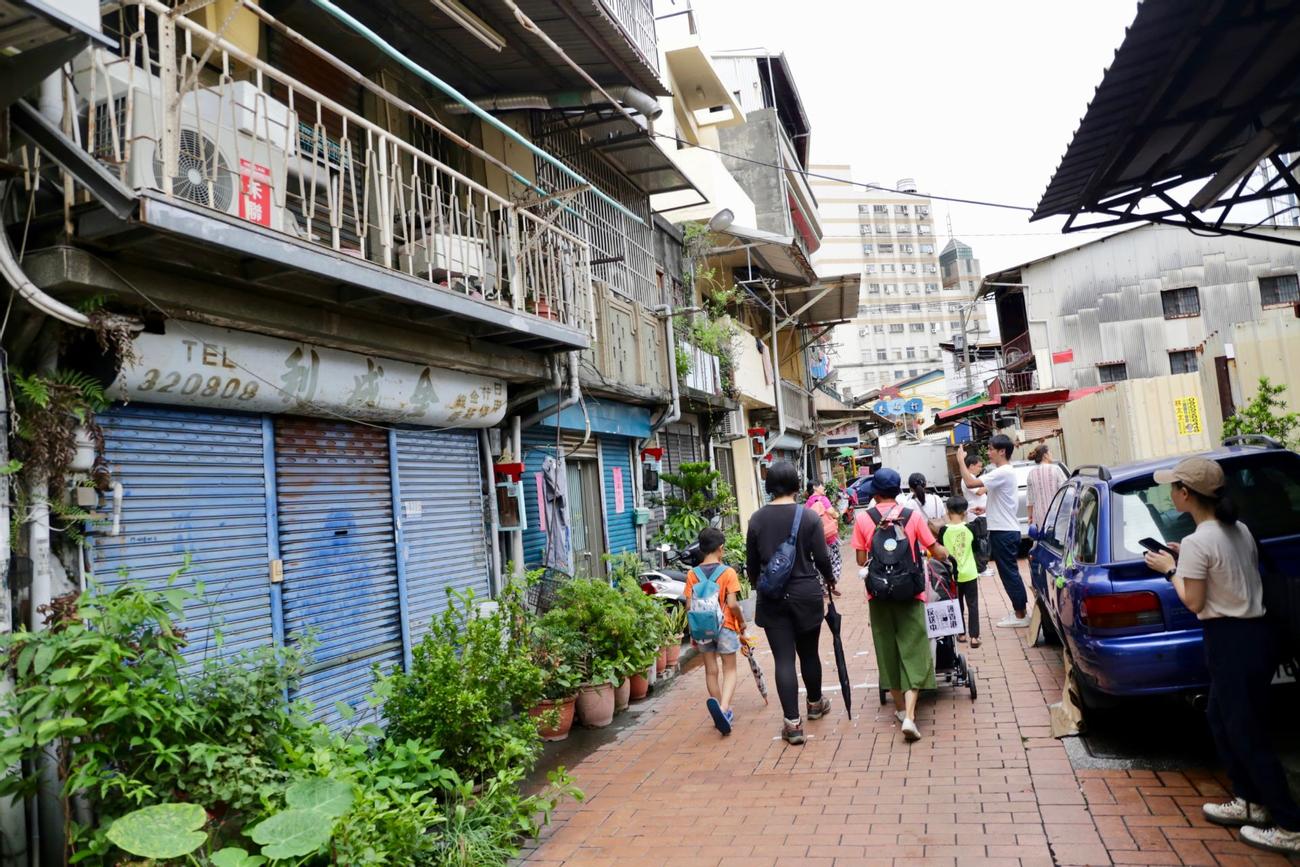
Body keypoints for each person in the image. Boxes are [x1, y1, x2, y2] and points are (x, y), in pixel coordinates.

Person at [1143, 457, 1300, 855]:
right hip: (1255, 637)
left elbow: (1193, 601)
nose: (1170, 492)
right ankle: (1249, 799)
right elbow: (1228, 573)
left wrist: (1168, 569)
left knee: (1247, 733)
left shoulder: (1199, 541)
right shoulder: (1237, 529)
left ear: (1186, 494)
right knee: (1221, 717)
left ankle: (1288, 824)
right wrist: (1185, 559)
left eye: (1173, 486)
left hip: (1231, 640)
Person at [851, 468, 949, 742]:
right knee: (914, 647)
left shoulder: (864, 519)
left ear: (875, 493)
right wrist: (945, 552)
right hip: (910, 593)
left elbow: (861, 560)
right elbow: (933, 549)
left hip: (878, 595)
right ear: (898, 491)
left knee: (887, 649)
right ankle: (909, 715)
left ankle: (898, 708)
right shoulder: (913, 516)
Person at [746, 461, 837, 746]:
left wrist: (757, 585)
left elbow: (751, 565)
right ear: (798, 485)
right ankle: (814, 704)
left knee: (783, 659)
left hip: (773, 597)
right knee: (809, 653)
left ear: (769, 486)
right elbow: (822, 558)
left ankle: (793, 724)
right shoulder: (809, 517)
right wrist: (830, 581)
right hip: (806, 593)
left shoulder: (757, 519)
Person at [957, 436, 1029, 627]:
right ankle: (1019, 611)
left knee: (1009, 573)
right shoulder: (1003, 472)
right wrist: (986, 509)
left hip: (1004, 531)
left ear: (1002, 451)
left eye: (990, 449)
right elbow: (1003, 500)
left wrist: (960, 461)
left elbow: (972, 484)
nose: (988, 453)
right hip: (1004, 528)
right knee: (1009, 572)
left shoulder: (1003, 471)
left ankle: (1021, 615)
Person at [685, 527, 746, 735]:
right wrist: (742, 622)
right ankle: (724, 708)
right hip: (726, 626)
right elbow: (733, 603)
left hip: (702, 629)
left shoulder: (692, 574)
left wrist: (694, 631)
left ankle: (720, 708)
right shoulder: (728, 573)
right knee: (730, 669)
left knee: (711, 670)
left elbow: (688, 605)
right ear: (720, 549)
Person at [941, 495, 980, 647]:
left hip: (951, 574)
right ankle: (975, 637)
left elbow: (940, 551)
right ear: (965, 512)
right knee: (973, 604)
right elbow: (976, 548)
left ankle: (962, 633)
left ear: (947, 511)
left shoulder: (943, 530)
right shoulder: (970, 528)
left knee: (957, 604)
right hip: (970, 572)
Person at [805, 481, 843, 595]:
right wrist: (837, 514)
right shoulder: (823, 499)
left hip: (816, 538)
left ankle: (822, 587)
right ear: (815, 487)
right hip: (829, 536)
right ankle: (832, 580)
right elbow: (832, 512)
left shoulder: (808, 502)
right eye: (822, 485)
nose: (824, 487)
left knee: (819, 562)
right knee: (835, 560)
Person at [961, 453, 992, 575]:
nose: (980, 469)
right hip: (976, 516)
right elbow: (979, 491)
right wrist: (990, 484)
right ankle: (980, 568)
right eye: (979, 466)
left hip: (980, 514)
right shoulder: (968, 479)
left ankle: (982, 566)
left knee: (983, 540)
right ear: (971, 466)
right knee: (981, 542)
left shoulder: (971, 478)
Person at [1025, 444, 1067, 530]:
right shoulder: (1055, 469)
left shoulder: (1031, 474)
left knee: (1042, 540)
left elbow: (1030, 500)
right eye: (1050, 453)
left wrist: (1030, 517)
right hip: (1056, 515)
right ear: (1045, 455)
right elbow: (1066, 491)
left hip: (1039, 517)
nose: (1051, 455)